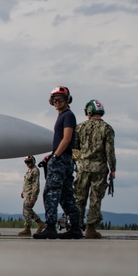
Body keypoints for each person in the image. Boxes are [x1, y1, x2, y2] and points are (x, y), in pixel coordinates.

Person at [34, 86, 82, 239]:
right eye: (54, 99)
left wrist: (55, 157)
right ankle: (75, 228)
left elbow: (67, 138)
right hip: (65, 159)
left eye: (60, 99)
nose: (57, 102)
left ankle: (50, 227)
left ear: (67, 100)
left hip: (61, 161)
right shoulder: (64, 115)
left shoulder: (68, 116)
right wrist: (52, 155)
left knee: (51, 193)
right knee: (66, 196)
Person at [73, 99, 116, 239]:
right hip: (100, 169)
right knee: (95, 199)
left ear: (89, 112)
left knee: (79, 198)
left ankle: (76, 227)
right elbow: (110, 151)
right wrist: (113, 169)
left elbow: (75, 149)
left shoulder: (79, 127)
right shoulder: (107, 128)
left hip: (83, 168)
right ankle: (91, 229)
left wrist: (79, 162)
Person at [17, 155, 45, 237]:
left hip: (31, 194)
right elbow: (27, 183)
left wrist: (33, 196)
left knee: (26, 210)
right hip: (27, 193)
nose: (27, 164)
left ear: (33, 161)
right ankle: (40, 223)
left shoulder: (35, 170)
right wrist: (23, 191)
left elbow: (36, 184)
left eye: (29, 162)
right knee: (27, 210)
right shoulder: (29, 170)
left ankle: (28, 228)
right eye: (26, 162)